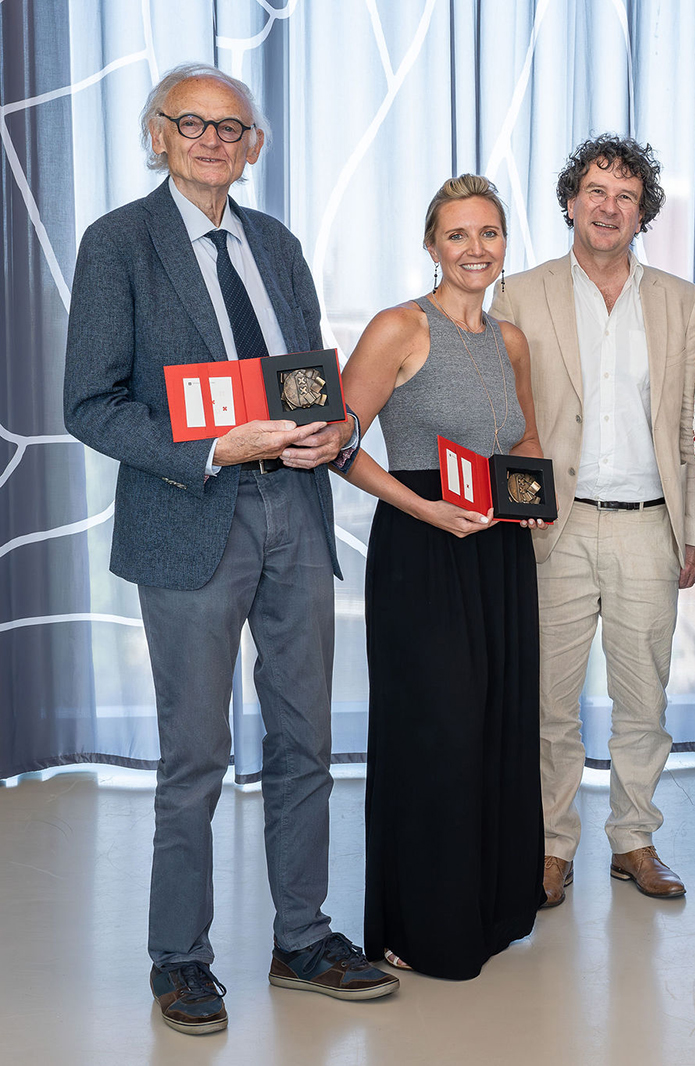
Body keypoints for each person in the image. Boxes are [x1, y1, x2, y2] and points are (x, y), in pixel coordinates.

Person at [62, 63, 396, 1035]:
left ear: (252, 147)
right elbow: (89, 404)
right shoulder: (118, 242)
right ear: (157, 135)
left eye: (232, 128)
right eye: (194, 123)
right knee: (196, 754)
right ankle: (180, 959)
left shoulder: (277, 244)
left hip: (296, 510)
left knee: (304, 741)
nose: (214, 140)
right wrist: (213, 448)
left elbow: (305, 383)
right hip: (190, 516)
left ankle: (304, 939)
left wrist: (333, 431)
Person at [338, 175, 545, 979]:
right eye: (457, 234)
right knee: (437, 735)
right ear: (432, 245)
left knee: (495, 726)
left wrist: (530, 500)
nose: (474, 248)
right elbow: (337, 443)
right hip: (423, 551)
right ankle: (420, 927)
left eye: (488, 233)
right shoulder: (399, 327)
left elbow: (523, 439)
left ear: (504, 244)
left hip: (497, 551)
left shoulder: (510, 339)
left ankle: (488, 910)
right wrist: (422, 509)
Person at [490, 136, 695, 907]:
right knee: (549, 701)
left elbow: (693, 422)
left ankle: (634, 840)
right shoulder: (520, 293)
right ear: (570, 202)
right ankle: (551, 847)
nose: (609, 207)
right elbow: (502, 415)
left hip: (651, 524)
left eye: (626, 196)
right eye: (595, 191)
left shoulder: (681, 301)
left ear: (643, 213)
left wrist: (694, 528)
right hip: (555, 525)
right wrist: (511, 509)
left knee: (644, 699)